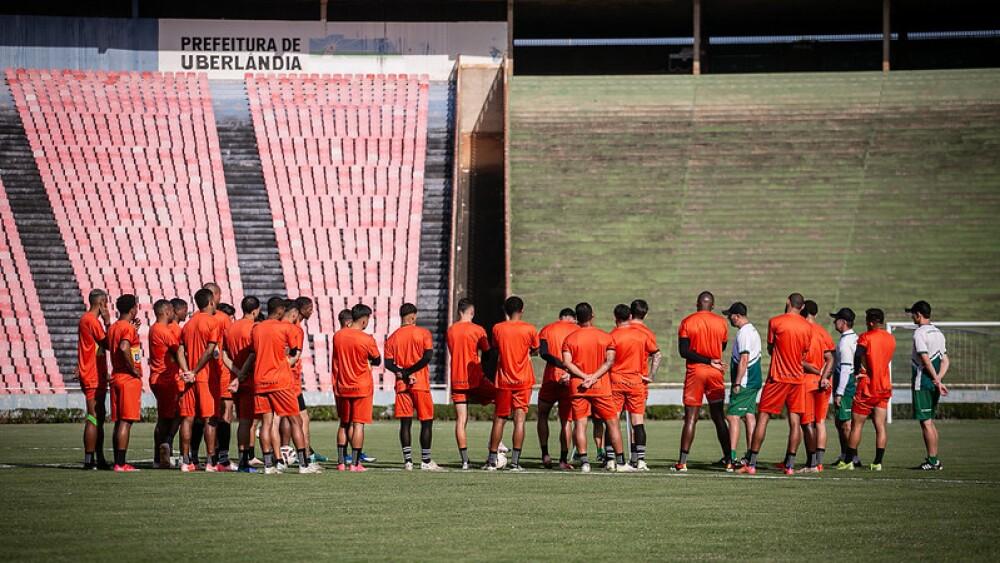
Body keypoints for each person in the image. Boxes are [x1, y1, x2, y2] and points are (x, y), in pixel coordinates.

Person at [738, 293, 812, 476]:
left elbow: (771, 349)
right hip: (797, 379)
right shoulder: (807, 327)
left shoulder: (776, 321)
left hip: (778, 377)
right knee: (795, 422)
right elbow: (804, 353)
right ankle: (790, 466)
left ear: (787, 302)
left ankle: (752, 463)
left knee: (763, 417)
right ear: (802, 307)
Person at [240, 300, 317, 475]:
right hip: (280, 380)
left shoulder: (257, 328)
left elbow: (254, 353)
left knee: (266, 424)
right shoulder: (286, 328)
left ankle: (269, 465)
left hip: (260, 380)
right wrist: (285, 363)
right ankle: (303, 465)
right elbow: (295, 354)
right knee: (295, 421)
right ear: (281, 310)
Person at [562, 302, 630, 472]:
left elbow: (567, 363)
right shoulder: (605, 336)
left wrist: (585, 377)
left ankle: (585, 462)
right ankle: (621, 462)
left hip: (579, 386)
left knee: (580, 424)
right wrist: (593, 377)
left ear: (577, 318)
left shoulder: (570, 338)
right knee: (612, 424)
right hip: (600, 386)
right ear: (592, 316)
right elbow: (609, 361)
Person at [674, 291, 731, 472]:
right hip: (715, 373)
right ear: (712, 305)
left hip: (695, 372)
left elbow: (684, 351)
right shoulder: (721, 322)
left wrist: (704, 359)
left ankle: (682, 462)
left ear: (697, 304)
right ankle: (729, 460)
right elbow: (722, 346)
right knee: (719, 417)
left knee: (691, 418)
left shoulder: (687, 321)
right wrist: (710, 359)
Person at [485, 296, 539, 471]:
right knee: (520, 421)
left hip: (504, 380)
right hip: (523, 380)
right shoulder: (529, 329)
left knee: (499, 420)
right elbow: (536, 348)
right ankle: (515, 462)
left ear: (505, 311)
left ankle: (492, 460)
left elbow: (496, 347)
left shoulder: (498, 328)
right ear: (522, 310)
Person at [838, 308, 895, 471]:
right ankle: (877, 462)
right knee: (880, 426)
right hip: (884, 386)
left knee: (857, 425)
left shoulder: (866, 337)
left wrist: (857, 372)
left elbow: (858, 355)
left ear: (870, 322)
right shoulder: (890, 338)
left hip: (868, 386)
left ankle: (848, 461)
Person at [386, 303, 440, 471]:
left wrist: (401, 371)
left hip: (402, 384)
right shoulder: (423, 333)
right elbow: (427, 357)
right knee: (426, 422)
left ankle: (408, 461)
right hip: (420, 382)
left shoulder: (393, 337)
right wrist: (410, 371)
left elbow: (388, 363)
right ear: (413, 316)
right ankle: (425, 461)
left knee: (405, 423)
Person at [176, 288, 224, 472]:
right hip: (205, 377)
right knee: (210, 419)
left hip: (190, 379)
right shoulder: (213, 322)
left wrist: (187, 371)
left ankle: (186, 461)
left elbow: (180, 350)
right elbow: (211, 350)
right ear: (211, 302)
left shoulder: (188, 324)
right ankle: (211, 462)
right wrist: (195, 370)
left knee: (187, 419)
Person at [446, 298, 496, 470]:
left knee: (461, 420)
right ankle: (495, 444)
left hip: (457, 379)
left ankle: (465, 461)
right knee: (502, 400)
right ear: (472, 312)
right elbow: (488, 353)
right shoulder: (478, 330)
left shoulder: (451, 330)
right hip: (475, 378)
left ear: (459, 311)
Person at [331, 303, 382, 472]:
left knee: (344, 424)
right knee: (358, 425)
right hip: (362, 387)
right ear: (364, 320)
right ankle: (354, 463)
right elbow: (377, 360)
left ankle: (340, 462)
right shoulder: (367, 339)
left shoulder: (338, 336)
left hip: (343, 385)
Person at [609, 304, 659, 470]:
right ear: (630, 317)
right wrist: (651, 376)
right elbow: (657, 354)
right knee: (638, 421)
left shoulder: (611, 336)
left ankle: (611, 460)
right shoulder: (641, 335)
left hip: (615, 380)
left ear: (615, 318)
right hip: (636, 381)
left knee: (613, 420)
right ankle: (641, 460)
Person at [907, 301, 949, 470]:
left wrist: (936, 380)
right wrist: (939, 379)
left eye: (913, 314)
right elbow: (945, 359)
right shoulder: (938, 332)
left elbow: (924, 358)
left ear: (918, 314)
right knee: (929, 422)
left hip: (923, 382)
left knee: (926, 422)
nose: (912, 317)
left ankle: (932, 461)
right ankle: (934, 459)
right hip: (933, 383)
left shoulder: (919, 333)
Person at [536, 307, 578, 469]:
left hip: (551, 378)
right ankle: (562, 460)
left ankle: (545, 454)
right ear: (572, 318)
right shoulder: (577, 329)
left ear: (560, 317)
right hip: (569, 379)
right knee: (566, 421)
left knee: (542, 414)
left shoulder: (548, 329)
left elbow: (544, 353)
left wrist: (559, 364)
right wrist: (567, 367)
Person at [222, 296, 260, 472]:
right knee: (247, 422)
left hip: (235, 378)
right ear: (255, 311)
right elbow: (253, 355)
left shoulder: (231, 328)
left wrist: (236, 373)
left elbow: (223, 355)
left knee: (244, 421)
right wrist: (243, 374)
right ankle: (244, 460)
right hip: (250, 379)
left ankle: (245, 458)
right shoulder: (254, 329)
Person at [797, 300, 835, 473]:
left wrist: (818, 374)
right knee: (820, 422)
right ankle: (818, 463)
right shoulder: (823, 332)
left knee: (807, 423)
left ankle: (811, 463)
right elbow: (831, 358)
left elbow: (799, 360)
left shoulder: (802, 330)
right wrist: (825, 377)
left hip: (808, 381)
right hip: (824, 383)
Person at [106, 294, 143, 472]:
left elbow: (114, 344)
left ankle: (117, 461)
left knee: (119, 421)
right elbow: (124, 347)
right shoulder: (127, 328)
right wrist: (133, 369)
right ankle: (121, 463)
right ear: (132, 309)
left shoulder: (114, 327)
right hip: (127, 378)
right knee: (126, 421)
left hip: (116, 377)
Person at [722, 302, 761, 467]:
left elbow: (744, 359)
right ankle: (750, 457)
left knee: (732, 416)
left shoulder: (743, 333)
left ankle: (731, 458)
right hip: (754, 380)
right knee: (749, 416)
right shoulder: (753, 330)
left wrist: (737, 382)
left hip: (745, 381)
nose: (729, 318)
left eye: (730, 315)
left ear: (737, 316)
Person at [78, 288, 112, 470]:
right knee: (93, 416)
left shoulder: (86, 320)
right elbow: (107, 343)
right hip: (92, 375)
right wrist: (108, 323)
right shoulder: (92, 321)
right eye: (106, 303)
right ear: (101, 303)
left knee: (98, 417)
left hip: (94, 372)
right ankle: (89, 460)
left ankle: (98, 458)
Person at [203, 282, 234, 469]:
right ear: (214, 296)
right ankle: (222, 457)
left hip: (201, 374)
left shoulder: (193, 320)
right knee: (225, 415)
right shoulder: (222, 319)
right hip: (221, 372)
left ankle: (194, 457)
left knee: (203, 416)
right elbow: (229, 345)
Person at [148, 299, 180, 468]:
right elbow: (178, 350)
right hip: (165, 378)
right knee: (166, 418)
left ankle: (161, 454)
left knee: (169, 416)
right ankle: (161, 454)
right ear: (167, 311)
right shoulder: (163, 330)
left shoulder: (155, 329)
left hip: (159, 376)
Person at [829, 308, 859, 466]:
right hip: (846, 385)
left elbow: (847, 368)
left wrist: (839, 392)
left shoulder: (846, 342)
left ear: (844, 322)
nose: (835, 322)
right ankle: (846, 455)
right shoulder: (852, 338)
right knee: (841, 422)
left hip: (846, 387)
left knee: (846, 424)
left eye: (837, 319)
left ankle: (851, 458)